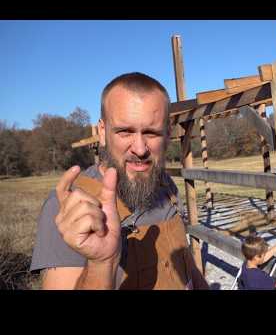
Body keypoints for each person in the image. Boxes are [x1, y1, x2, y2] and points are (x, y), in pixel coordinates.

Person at [30, 72, 209, 290]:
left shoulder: (165, 185)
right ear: (103, 132)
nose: (140, 149)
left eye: (152, 133)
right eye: (125, 131)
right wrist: (101, 263)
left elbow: (186, 264)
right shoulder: (71, 207)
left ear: (168, 133)